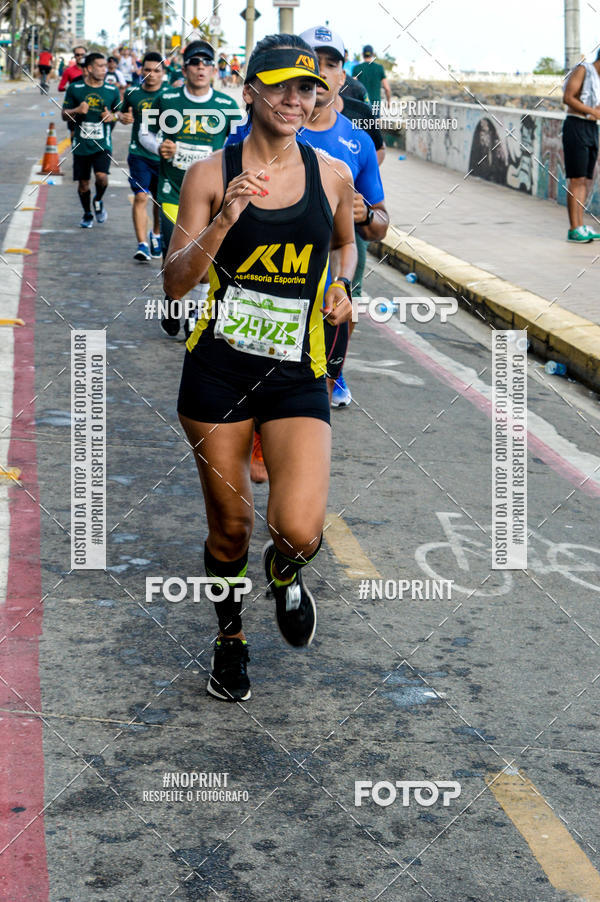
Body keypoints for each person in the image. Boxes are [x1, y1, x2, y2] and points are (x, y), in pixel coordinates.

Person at [163, 33, 356, 702]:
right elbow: (174, 283)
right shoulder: (209, 176)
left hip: (295, 374)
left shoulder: (331, 173)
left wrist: (341, 285)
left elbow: (344, 246)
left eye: (306, 87)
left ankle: (283, 570)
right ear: (250, 91)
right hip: (217, 374)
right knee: (230, 528)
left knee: (297, 529)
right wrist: (225, 220)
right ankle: (230, 637)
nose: (294, 98)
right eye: (278, 85)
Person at [228, 25, 389, 410]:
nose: (320, 73)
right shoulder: (257, 131)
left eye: (329, 65)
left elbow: (379, 225)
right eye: (310, 65)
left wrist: (364, 212)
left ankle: (332, 372)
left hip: (328, 272)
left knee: (335, 326)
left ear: (340, 76)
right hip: (261, 281)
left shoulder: (358, 139)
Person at [139, 39, 242, 337]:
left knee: (207, 251)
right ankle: (172, 298)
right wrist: (160, 146)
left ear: (213, 69)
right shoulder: (167, 99)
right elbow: (144, 131)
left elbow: (241, 142)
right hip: (174, 189)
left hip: (212, 194)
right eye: (195, 63)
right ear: (184, 69)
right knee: (175, 249)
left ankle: (195, 311)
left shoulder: (226, 105)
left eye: (206, 63)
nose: (201, 68)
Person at [61, 52, 121, 228]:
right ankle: (87, 213)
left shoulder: (112, 90)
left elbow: (119, 113)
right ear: (88, 68)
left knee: (102, 177)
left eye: (105, 66)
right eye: (100, 66)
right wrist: (77, 110)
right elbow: (64, 115)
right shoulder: (75, 89)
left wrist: (112, 117)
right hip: (81, 144)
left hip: (102, 143)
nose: (105, 69)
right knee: (83, 184)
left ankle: (99, 200)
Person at [120, 51, 165, 261]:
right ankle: (142, 245)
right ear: (141, 71)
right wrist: (124, 117)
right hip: (138, 154)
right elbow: (122, 114)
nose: (151, 74)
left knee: (159, 202)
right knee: (140, 196)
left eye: (156, 70)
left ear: (163, 73)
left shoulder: (170, 95)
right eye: (147, 70)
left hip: (163, 156)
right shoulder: (133, 93)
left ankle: (155, 234)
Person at [562, 51, 600, 242]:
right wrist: (593, 111)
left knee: (585, 179)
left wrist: (595, 112)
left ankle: (581, 226)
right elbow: (568, 98)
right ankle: (573, 228)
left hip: (591, 128)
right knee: (576, 179)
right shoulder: (583, 69)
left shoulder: (597, 79)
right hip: (576, 125)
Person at [352, 44, 391, 109]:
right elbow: (387, 88)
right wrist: (388, 102)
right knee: (376, 119)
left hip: (362, 103)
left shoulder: (357, 68)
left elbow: (353, 87)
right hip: (376, 103)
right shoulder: (379, 68)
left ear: (362, 54)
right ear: (373, 54)